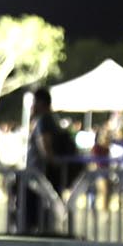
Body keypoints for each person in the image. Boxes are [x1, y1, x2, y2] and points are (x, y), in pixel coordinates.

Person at [21, 88, 76, 234]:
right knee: (44, 217)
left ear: (40, 103)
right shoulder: (52, 119)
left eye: (34, 102)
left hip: (39, 177)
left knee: (35, 217)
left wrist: (51, 161)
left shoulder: (44, 120)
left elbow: (45, 146)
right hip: (44, 176)